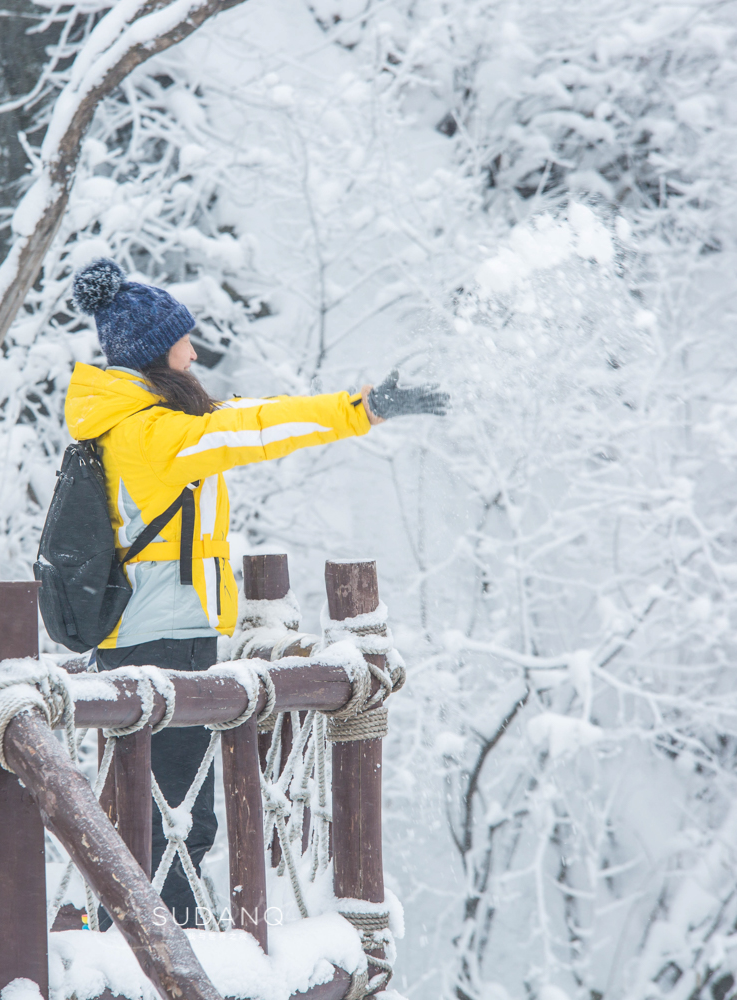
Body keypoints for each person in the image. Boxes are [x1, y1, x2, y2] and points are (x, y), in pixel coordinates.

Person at [65, 257, 446, 927]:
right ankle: (165, 958)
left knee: (148, 809)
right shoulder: (156, 436)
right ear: (157, 353)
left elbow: (240, 419)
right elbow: (256, 428)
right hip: (165, 638)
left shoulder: (129, 423)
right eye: (184, 338)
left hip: (139, 633)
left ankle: (139, 942)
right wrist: (363, 411)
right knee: (179, 816)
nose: (195, 346)